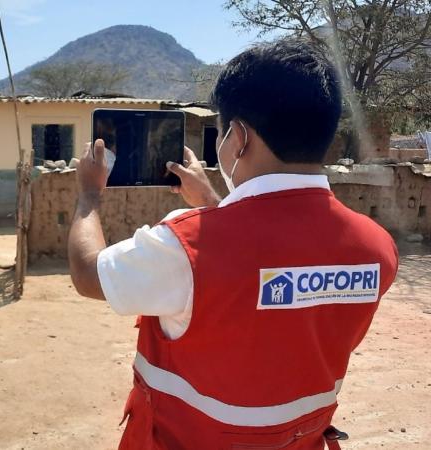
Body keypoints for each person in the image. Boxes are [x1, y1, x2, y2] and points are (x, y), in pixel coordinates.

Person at [67, 38, 399, 449]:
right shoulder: (378, 250)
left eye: (222, 131)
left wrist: (89, 193)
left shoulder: (183, 247)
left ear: (238, 138)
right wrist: (212, 202)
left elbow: (87, 273)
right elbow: (273, 269)